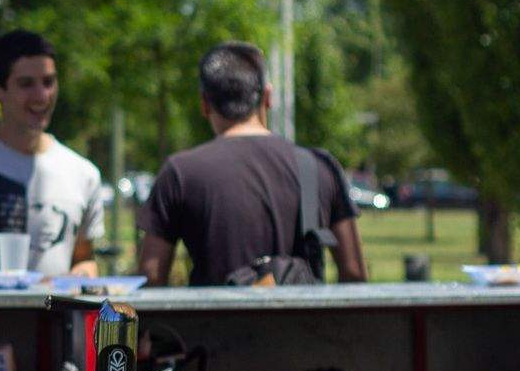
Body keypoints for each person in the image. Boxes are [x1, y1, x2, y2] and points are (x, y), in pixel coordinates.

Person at [137, 41, 367, 286]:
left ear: (204, 104)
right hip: (302, 324)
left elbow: (151, 274)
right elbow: (353, 272)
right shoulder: (317, 166)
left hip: (214, 323)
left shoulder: (180, 172)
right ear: (267, 97)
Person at [0, 30, 107, 276]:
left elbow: (84, 260)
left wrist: (82, 276)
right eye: (26, 84)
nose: (41, 96)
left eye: (49, 82)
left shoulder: (84, 173)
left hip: (57, 314)